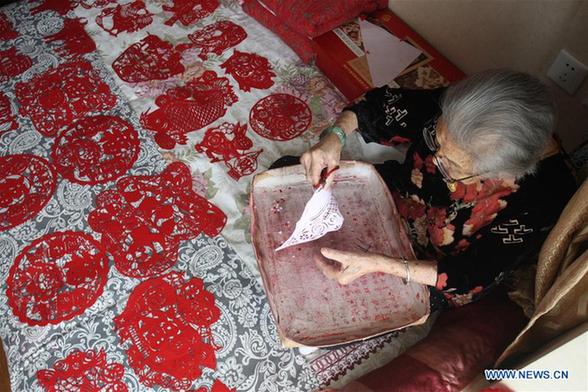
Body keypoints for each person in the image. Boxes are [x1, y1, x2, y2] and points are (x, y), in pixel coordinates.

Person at [293, 69, 577, 310]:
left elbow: (473, 274)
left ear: (501, 174)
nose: (435, 156)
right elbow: (380, 107)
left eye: (450, 164)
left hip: (427, 266)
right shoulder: (466, 111)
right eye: (436, 139)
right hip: (400, 196)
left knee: (338, 302)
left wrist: (380, 264)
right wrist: (335, 136)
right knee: (297, 180)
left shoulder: (547, 194)